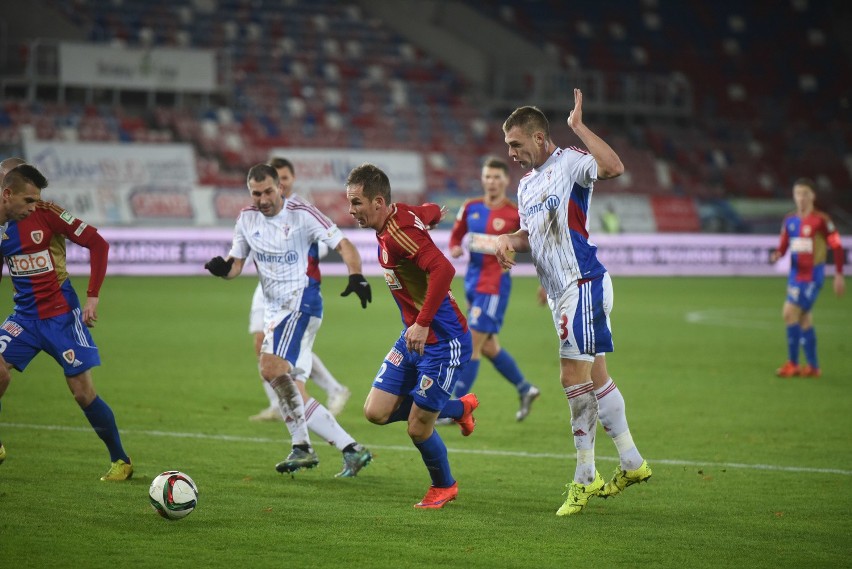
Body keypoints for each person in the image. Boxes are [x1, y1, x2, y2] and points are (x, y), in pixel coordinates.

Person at [495, 90, 651, 516]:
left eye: (516, 144)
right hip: (563, 291)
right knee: (596, 375)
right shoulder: (526, 186)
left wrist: (579, 126)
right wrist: (511, 240)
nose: (510, 153)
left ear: (540, 137)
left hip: (582, 283)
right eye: (507, 146)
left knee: (570, 378)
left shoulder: (569, 162)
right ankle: (632, 462)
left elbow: (614, 167)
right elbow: (533, 235)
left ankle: (585, 477)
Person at [205, 163, 372, 477]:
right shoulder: (246, 219)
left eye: (269, 190)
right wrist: (222, 269)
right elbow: (236, 265)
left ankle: (302, 446)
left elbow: (344, 244)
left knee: (269, 367)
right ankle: (351, 449)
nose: (263, 198)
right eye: (256, 193)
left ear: (279, 187)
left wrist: (357, 276)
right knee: (292, 387)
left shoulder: (302, 213)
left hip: (302, 303)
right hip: (275, 312)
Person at [345, 163, 477, 509]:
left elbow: (444, 268)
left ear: (377, 202)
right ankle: (459, 408)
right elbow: (426, 211)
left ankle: (444, 486)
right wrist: (432, 215)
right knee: (375, 411)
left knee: (418, 428)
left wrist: (422, 321)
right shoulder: (399, 215)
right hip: (413, 337)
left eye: (357, 203)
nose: (352, 210)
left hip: (443, 341)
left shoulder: (397, 232)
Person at [0, 159, 132, 481]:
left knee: (83, 393)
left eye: (35, 198)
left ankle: (121, 461)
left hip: (62, 316)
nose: (33, 205)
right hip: (24, 318)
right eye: (27, 198)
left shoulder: (47, 212)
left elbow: (97, 243)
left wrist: (92, 295)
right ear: (8, 191)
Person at [248, 157, 350, 421]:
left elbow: (327, 245)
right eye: (275, 179)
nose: (279, 183)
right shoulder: (260, 211)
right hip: (265, 287)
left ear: (291, 180)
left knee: (289, 347)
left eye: (284, 178)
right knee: (262, 344)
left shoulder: (303, 211)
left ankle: (334, 389)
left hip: (295, 290)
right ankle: (277, 403)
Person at [448, 156, 540, 420]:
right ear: (482, 179)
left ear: (506, 181)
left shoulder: (514, 213)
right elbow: (456, 235)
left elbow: (531, 244)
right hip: (473, 284)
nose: (491, 182)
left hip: (494, 286)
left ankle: (457, 408)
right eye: (487, 176)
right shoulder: (470, 207)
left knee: (471, 344)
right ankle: (525, 388)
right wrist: (455, 247)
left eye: (497, 177)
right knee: (488, 348)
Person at [770, 177, 845, 378]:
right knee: (803, 318)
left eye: (805, 193)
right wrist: (777, 254)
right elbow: (784, 245)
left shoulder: (822, 220)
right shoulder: (790, 220)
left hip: (812, 276)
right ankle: (813, 367)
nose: (801, 198)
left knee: (789, 313)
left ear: (813, 196)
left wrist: (838, 274)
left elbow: (837, 247)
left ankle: (793, 364)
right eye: (797, 194)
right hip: (795, 275)